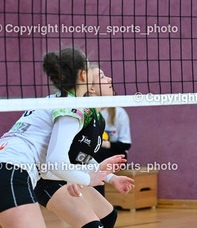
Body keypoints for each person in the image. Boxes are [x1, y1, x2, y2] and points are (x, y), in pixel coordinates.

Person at [0, 48, 119, 228]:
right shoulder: (72, 107)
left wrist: (98, 174)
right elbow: (55, 162)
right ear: (83, 75)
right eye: (92, 69)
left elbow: (52, 164)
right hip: (11, 176)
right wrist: (88, 179)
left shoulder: (55, 101)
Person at [33, 67, 135, 228]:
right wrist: (76, 177)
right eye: (102, 77)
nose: (109, 79)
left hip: (66, 175)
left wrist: (111, 178)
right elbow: (59, 157)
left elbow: (82, 157)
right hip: (47, 178)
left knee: (108, 216)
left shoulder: (98, 119)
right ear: (91, 88)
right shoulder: (77, 113)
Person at [94, 107, 132, 196]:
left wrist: (106, 144)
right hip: (94, 152)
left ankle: (99, 200)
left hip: (114, 154)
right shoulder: (89, 110)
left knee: (97, 156)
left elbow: (126, 145)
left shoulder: (119, 112)